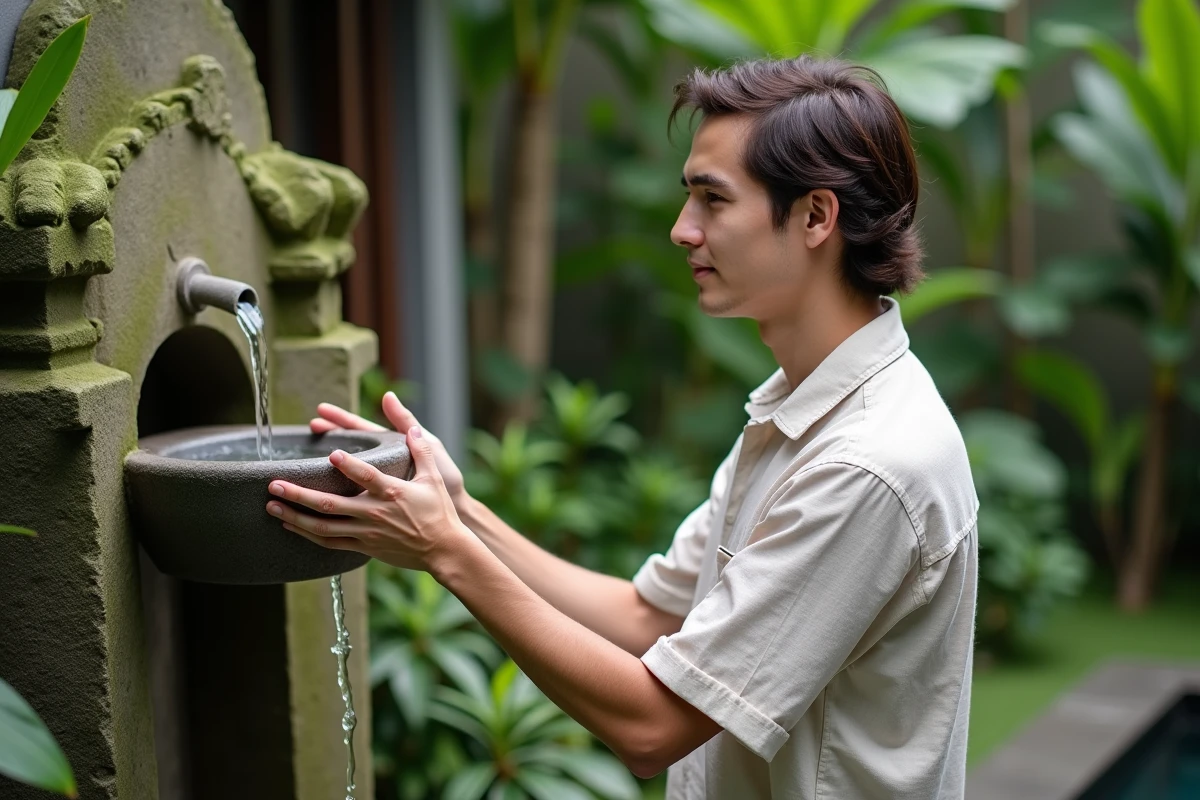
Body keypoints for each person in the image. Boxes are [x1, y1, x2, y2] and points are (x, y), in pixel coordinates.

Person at [266, 55, 978, 800]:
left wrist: (446, 552)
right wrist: (462, 513)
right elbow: (646, 616)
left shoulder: (868, 463)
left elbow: (654, 725)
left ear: (815, 217)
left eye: (712, 199)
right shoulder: (800, 410)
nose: (682, 229)